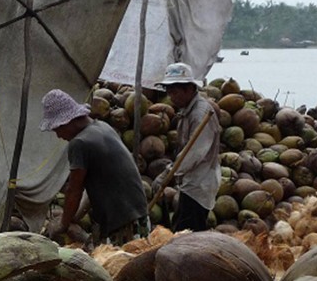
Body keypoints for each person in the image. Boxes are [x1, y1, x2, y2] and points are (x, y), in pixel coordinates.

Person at [40, 89, 150, 245]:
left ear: (67, 121)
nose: (58, 135)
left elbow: (74, 189)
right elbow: (92, 185)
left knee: (117, 264)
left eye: (57, 129)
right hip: (137, 215)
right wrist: (74, 217)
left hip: (122, 222)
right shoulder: (102, 127)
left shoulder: (79, 143)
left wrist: (63, 224)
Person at [152, 62, 221, 232]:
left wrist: (167, 174)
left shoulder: (200, 114)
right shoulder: (186, 111)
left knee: (187, 235)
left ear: (189, 89)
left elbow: (192, 154)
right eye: (168, 92)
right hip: (190, 183)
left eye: (174, 92)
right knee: (182, 230)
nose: (171, 97)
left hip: (199, 184)